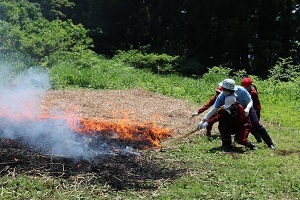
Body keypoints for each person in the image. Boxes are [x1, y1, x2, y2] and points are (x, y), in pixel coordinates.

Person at [197, 78, 276, 150]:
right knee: (223, 124)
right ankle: (227, 145)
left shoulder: (242, 91)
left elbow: (250, 101)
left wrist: (247, 109)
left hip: (246, 108)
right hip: (231, 111)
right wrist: (204, 120)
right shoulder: (221, 96)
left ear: (230, 90)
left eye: (224, 89)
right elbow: (214, 109)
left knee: (256, 124)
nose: (223, 90)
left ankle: (270, 143)